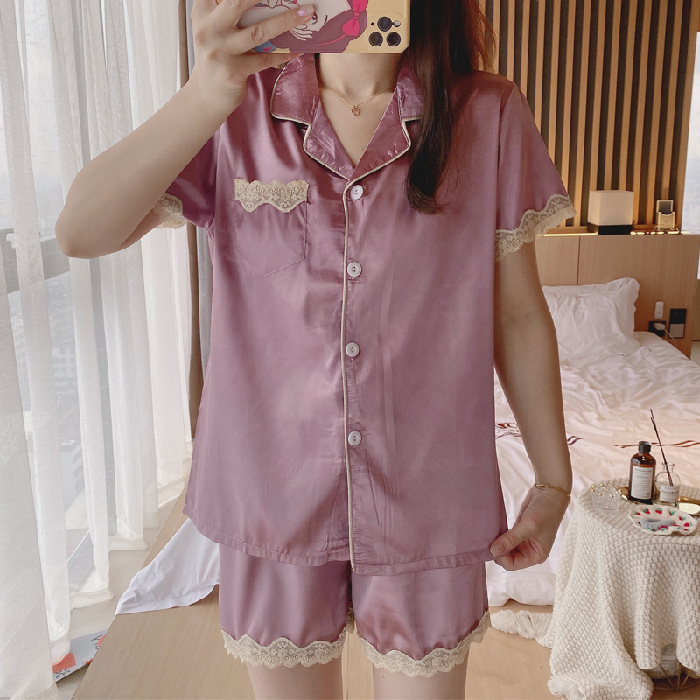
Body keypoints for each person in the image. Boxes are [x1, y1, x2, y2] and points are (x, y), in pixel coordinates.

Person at [55, 0, 577, 697]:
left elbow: (517, 314)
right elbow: (80, 231)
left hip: (429, 492)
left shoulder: (487, 114)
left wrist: (552, 482)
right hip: (272, 492)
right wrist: (203, 94)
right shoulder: (234, 108)